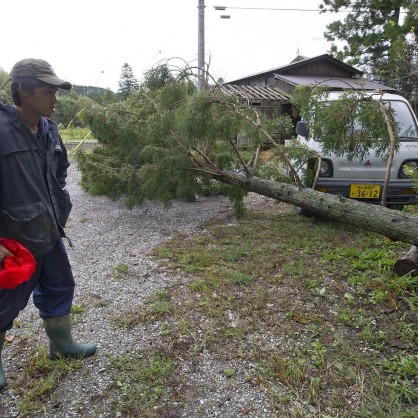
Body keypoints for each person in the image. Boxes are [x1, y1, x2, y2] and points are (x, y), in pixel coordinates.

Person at [0, 58, 96, 389]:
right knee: (6, 301)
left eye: (56, 91)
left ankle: (61, 344)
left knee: (59, 285)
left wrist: (59, 203)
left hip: (50, 230)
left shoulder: (49, 128)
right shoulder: (1, 131)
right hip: (12, 241)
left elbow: (60, 170)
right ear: (22, 91)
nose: (55, 98)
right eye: (47, 91)